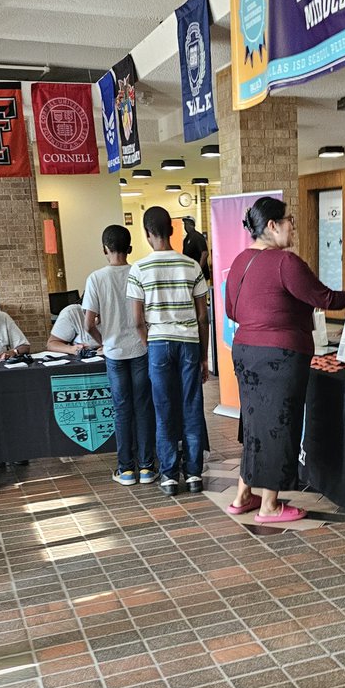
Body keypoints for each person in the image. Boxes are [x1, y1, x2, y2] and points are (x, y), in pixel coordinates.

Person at [225, 196, 345, 524]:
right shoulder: (285, 262)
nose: (294, 227)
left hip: (244, 352)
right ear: (273, 225)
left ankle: (242, 496)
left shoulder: (240, 260)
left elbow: (231, 310)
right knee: (279, 425)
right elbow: (326, 298)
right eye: (290, 221)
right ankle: (269, 506)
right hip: (279, 356)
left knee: (255, 424)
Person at [128, 206, 209, 497]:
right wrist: (204, 357)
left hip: (158, 344)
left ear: (147, 233)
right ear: (172, 231)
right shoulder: (192, 266)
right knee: (191, 407)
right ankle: (194, 474)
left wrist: (150, 344)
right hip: (189, 343)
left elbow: (137, 320)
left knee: (163, 410)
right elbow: (202, 317)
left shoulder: (139, 269)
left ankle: (169, 477)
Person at [82, 224, 157, 486]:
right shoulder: (140, 273)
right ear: (130, 248)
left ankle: (126, 470)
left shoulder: (96, 278)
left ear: (105, 249)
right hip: (141, 349)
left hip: (114, 353)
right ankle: (147, 468)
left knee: (121, 410)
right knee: (143, 408)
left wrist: (103, 342)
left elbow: (88, 324)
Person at [182, 216, 210, 281]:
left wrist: (198, 269)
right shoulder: (186, 239)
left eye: (187, 224)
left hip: (199, 274)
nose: (186, 226)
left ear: (192, 225)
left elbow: (205, 253)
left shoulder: (197, 236)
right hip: (191, 273)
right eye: (185, 224)